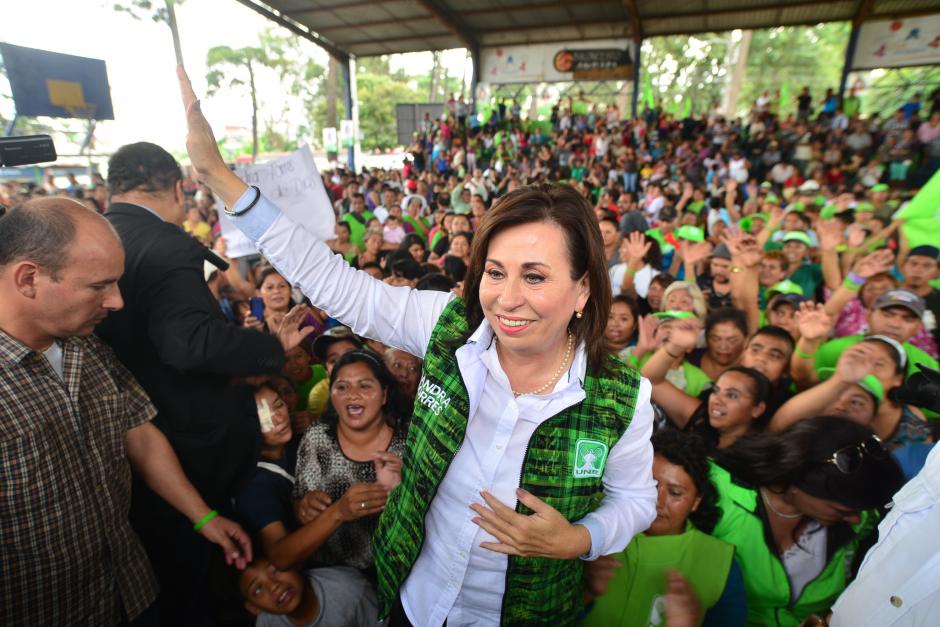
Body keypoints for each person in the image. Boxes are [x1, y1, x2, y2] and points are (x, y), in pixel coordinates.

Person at [182, 61, 655, 626]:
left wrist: (580, 538)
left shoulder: (621, 397)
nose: (505, 299)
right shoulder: (451, 328)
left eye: (534, 277)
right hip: (415, 600)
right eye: (495, 272)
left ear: (582, 289)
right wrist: (222, 180)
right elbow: (339, 285)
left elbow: (635, 501)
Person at [0, 198, 251, 625]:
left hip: (130, 589)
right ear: (29, 279)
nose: (116, 301)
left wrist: (202, 515)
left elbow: (136, 427)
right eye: (99, 286)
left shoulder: (85, 345)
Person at [95, 142, 307, 625]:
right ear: (177, 188)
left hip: (127, 449)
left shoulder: (101, 240)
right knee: (206, 578)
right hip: (189, 450)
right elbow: (189, 343)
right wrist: (272, 351)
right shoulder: (167, 243)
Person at [711, 416, 906, 626]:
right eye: (841, 510)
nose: (855, 519)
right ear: (799, 483)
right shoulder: (717, 497)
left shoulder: (860, 521)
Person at [581, 430, 745, 627]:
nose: (658, 501)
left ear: (696, 501)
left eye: (675, 493)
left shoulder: (719, 563)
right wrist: (585, 593)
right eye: (650, 484)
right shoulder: (595, 523)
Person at [293, 351, 406, 572]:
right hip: (331, 574)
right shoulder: (317, 438)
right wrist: (304, 507)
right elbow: (299, 504)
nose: (352, 395)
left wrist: (403, 489)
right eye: (342, 387)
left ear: (384, 395)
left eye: (364, 386)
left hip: (394, 575)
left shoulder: (409, 442)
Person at [238, 559, 378, 627]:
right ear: (254, 608)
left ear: (294, 560)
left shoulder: (349, 589)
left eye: (275, 570)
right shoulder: (266, 623)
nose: (274, 586)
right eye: (258, 589)